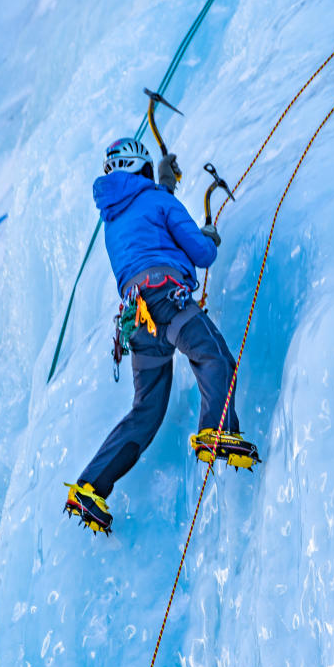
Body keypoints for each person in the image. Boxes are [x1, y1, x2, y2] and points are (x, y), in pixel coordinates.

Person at [64, 138, 259, 534]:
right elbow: (201, 255)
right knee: (214, 356)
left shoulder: (113, 217)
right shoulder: (159, 202)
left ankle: (89, 487)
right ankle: (217, 429)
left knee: (147, 411)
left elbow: (149, 214)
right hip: (167, 300)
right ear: (143, 170)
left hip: (138, 319)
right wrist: (207, 237)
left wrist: (167, 186)